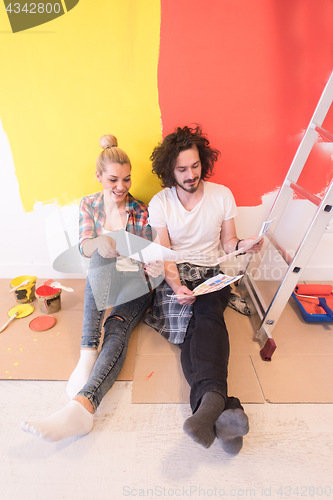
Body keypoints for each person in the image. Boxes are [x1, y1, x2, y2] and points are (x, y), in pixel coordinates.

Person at [21, 134, 163, 442]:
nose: (121, 186)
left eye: (126, 179)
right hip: (104, 275)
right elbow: (85, 247)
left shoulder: (141, 210)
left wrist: (152, 265)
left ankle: (83, 408)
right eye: (113, 179)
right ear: (99, 176)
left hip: (136, 282)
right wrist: (99, 242)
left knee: (117, 327)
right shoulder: (89, 205)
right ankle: (88, 352)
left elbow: (149, 255)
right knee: (98, 257)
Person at [145, 125, 263, 454]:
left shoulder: (222, 195)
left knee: (208, 317)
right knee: (189, 326)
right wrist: (177, 286)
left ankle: (207, 406)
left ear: (203, 163)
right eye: (182, 169)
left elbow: (228, 242)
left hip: (212, 272)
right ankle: (223, 406)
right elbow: (164, 253)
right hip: (176, 273)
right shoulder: (160, 203)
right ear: (170, 169)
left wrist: (244, 245)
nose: (190, 174)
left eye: (195, 165)